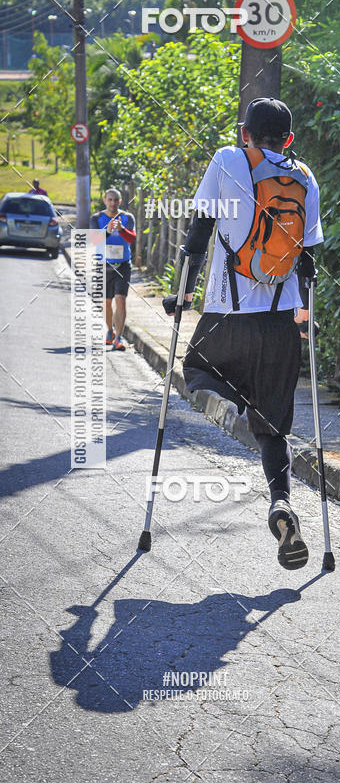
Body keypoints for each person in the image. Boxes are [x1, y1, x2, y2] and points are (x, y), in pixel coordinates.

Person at [164, 97, 323, 570]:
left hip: (227, 317)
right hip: (280, 325)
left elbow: (199, 234)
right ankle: (281, 503)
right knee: (274, 429)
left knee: (195, 370)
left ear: (244, 132)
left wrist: (183, 294)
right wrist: (306, 313)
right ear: (289, 140)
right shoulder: (306, 177)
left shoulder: (228, 159)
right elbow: (310, 259)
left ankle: (225, 403)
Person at [90, 188, 136, 351]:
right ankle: (109, 331)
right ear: (105, 201)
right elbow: (95, 240)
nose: (113, 203)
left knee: (121, 299)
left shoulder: (127, 217)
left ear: (120, 202)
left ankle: (119, 338)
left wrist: (122, 229)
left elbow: (132, 238)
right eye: (110, 200)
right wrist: (108, 230)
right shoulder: (97, 218)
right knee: (106, 302)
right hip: (104, 265)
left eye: (116, 200)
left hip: (123, 264)